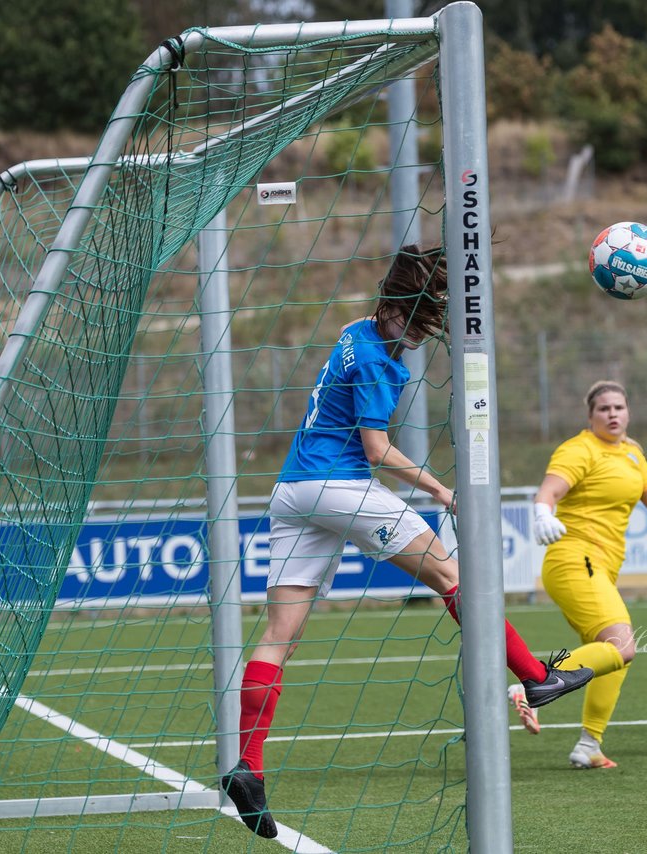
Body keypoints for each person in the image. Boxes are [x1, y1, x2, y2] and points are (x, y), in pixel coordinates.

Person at [221, 245, 595, 838]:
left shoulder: (352, 330)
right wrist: (444, 491)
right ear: (400, 309)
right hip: (338, 486)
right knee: (453, 578)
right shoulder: (381, 363)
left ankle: (249, 768)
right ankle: (534, 675)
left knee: (278, 637)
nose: (424, 334)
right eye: (422, 320)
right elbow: (376, 451)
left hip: (291, 490)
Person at [513, 380, 647, 769]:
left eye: (619, 408)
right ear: (590, 415)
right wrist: (542, 512)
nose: (613, 414)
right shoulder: (580, 449)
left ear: (628, 412)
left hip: (601, 567)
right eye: (604, 408)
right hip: (575, 559)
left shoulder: (632, 454)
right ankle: (533, 683)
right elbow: (549, 492)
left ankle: (589, 745)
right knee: (623, 645)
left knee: (612, 655)